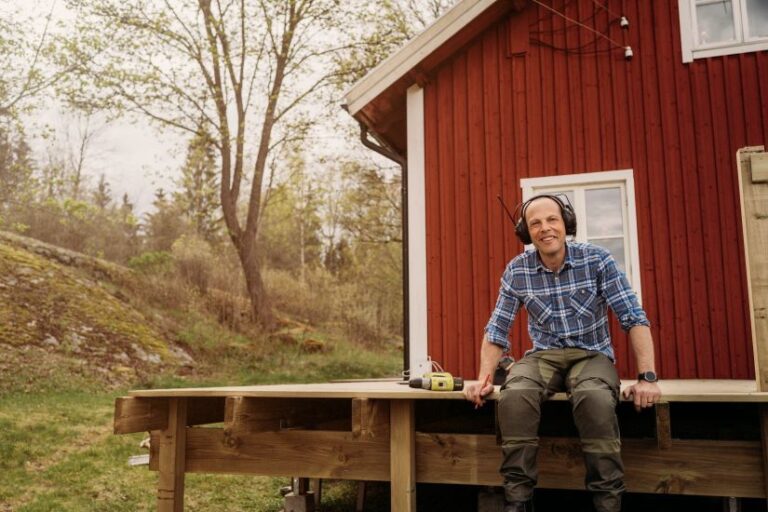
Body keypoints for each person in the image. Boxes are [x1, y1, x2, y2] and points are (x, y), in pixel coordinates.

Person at [463, 194, 661, 512]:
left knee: (595, 398)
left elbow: (633, 318)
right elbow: (496, 330)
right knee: (514, 395)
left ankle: (608, 501)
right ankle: (517, 500)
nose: (545, 228)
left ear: (565, 222)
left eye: (552, 219)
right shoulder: (517, 271)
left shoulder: (597, 260)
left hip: (591, 355)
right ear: (526, 232)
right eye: (535, 223)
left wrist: (647, 378)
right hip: (543, 356)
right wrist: (484, 379)